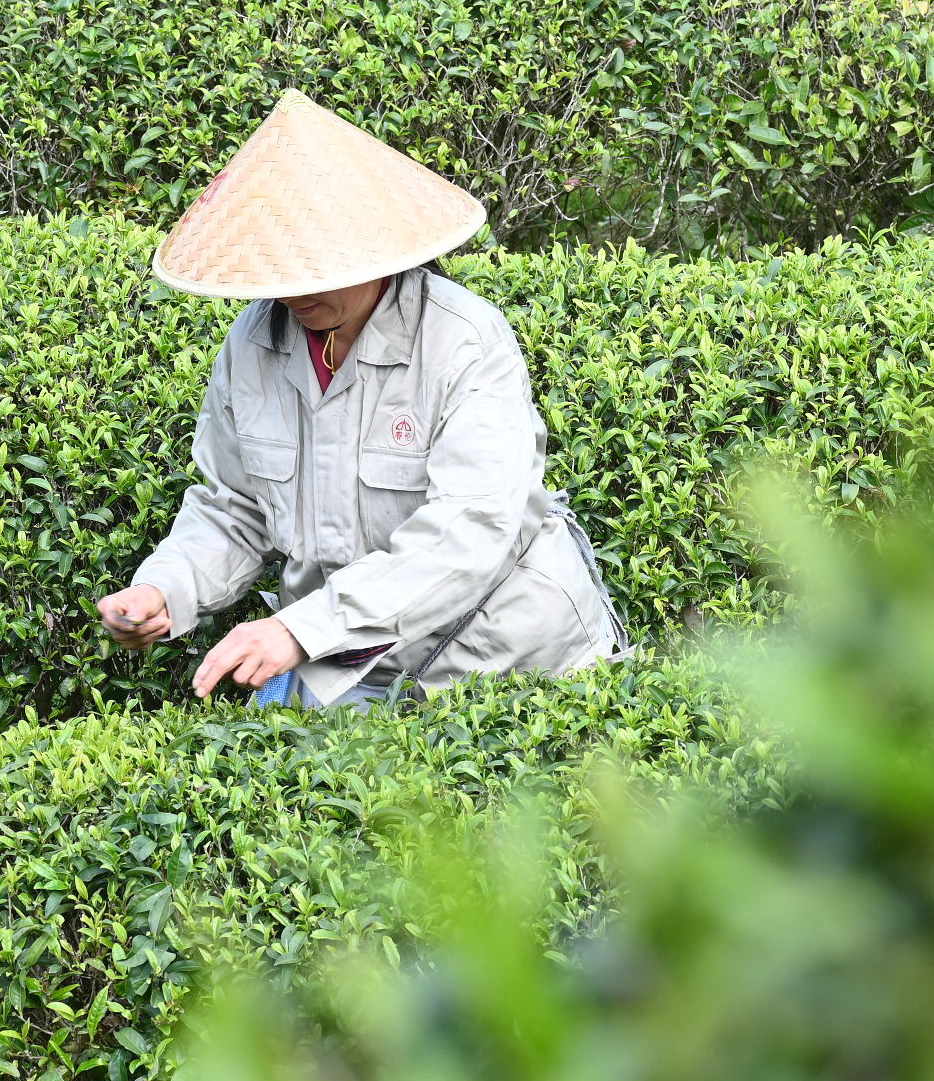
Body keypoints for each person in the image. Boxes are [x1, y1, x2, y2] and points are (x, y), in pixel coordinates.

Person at [98, 91, 624, 705]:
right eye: (282, 271)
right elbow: (235, 507)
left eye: (318, 268)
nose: (296, 293)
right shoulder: (253, 343)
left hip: (504, 659)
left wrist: (301, 629)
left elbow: (468, 530)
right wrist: (165, 588)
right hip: (344, 659)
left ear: (375, 250)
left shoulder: (465, 343)